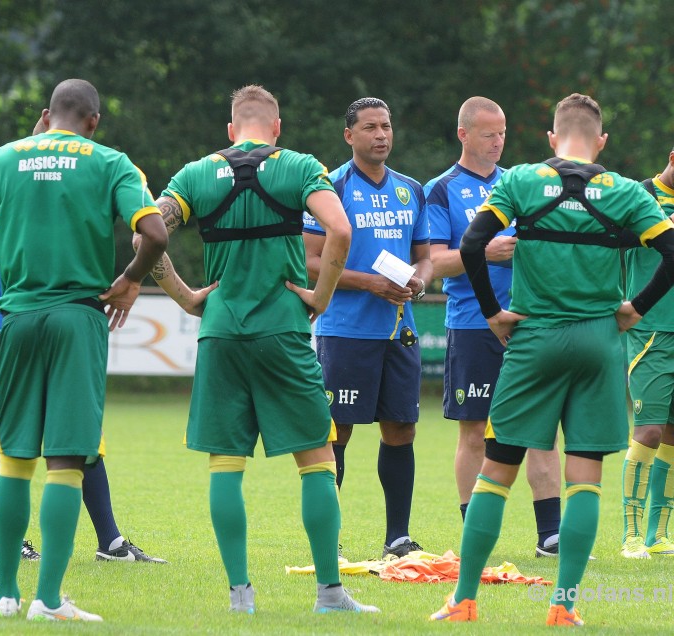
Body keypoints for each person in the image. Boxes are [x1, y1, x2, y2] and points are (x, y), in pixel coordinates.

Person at [430, 93, 674, 626]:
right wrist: (634, 308)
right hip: (599, 343)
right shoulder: (627, 193)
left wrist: (495, 313)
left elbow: (472, 246)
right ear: (602, 141)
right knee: (584, 474)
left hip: (533, 341)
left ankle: (464, 599)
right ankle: (564, 606)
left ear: (550, 138)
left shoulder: (518, 180)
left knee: (497, 471)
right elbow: (672, 253)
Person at [139, 84, 378, 613]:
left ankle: (240, 597)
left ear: (230, 130)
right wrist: (320, 295)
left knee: (226, 465)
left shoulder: (195, 174)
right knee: (317, 459)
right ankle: (330, 594)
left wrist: (184, 297)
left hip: (221, 330)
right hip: (283, 330)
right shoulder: (297, 166)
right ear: (276, 128)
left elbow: (147, 234)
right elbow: (339, 229)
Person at [0, 78, 168, 622]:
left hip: (17, 317)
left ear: (46, 114)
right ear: (93, 121)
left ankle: (7, 596)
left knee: (13, 457)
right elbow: (153, 231)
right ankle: (49, 599)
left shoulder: (1, 159)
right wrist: (130, 278)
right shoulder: (110, 161)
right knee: (66, 460)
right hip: (79, 316)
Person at [424, 96, 563, 557]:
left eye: (502, 132)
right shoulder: (442, 189)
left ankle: (551, 534)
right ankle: (474, 532)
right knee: (474, 430)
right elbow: (434, 261)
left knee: (541, 427)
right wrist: (486, 251)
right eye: (489, 133)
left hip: (528, 322)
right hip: (472, 324)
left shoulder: (521, 183)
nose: (498, 141)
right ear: (463, 134)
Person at [302, 97, 432, 560]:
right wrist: (369, 283)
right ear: (349, 135)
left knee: (401, 429)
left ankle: (397, 537)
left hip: (399, 330)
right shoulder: (330, 187)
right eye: (371, 127)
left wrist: (419, 282)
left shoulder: (410, 189)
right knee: (337, 432)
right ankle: (328, 537)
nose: (381, 135)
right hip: (345, 331)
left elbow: (425, 256)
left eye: (387, 126)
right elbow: (310, 259)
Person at [0, 264, 167, 565]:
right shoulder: (5, 221)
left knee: (81, 429)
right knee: (7, 431)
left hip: (54, 320)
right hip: (13, 321)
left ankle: (110, 541)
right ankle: (14, 543)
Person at [621, 152, 674, 559]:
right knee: (650, 431)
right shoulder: (638, 197)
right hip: (651, 331)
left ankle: (659, 536)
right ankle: (632, 535)